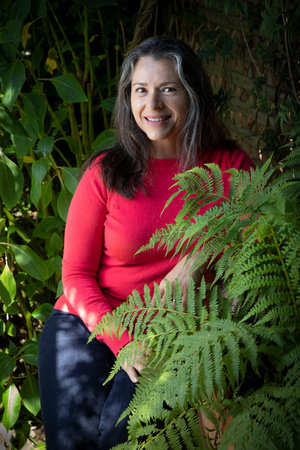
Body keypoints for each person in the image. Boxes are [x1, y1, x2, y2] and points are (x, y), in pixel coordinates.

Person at [38, 36, 255, 449]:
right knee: (73, 441)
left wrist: (196, 259)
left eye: (168, 89)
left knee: (121, 439)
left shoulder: (231, 167)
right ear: (129, 99)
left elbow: (251, 248)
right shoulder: (106, 172)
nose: (153, 105)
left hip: (172, 332)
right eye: (142, 90)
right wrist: (124, 343)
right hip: (87, 324)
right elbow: (75, 275)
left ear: (192, 94)